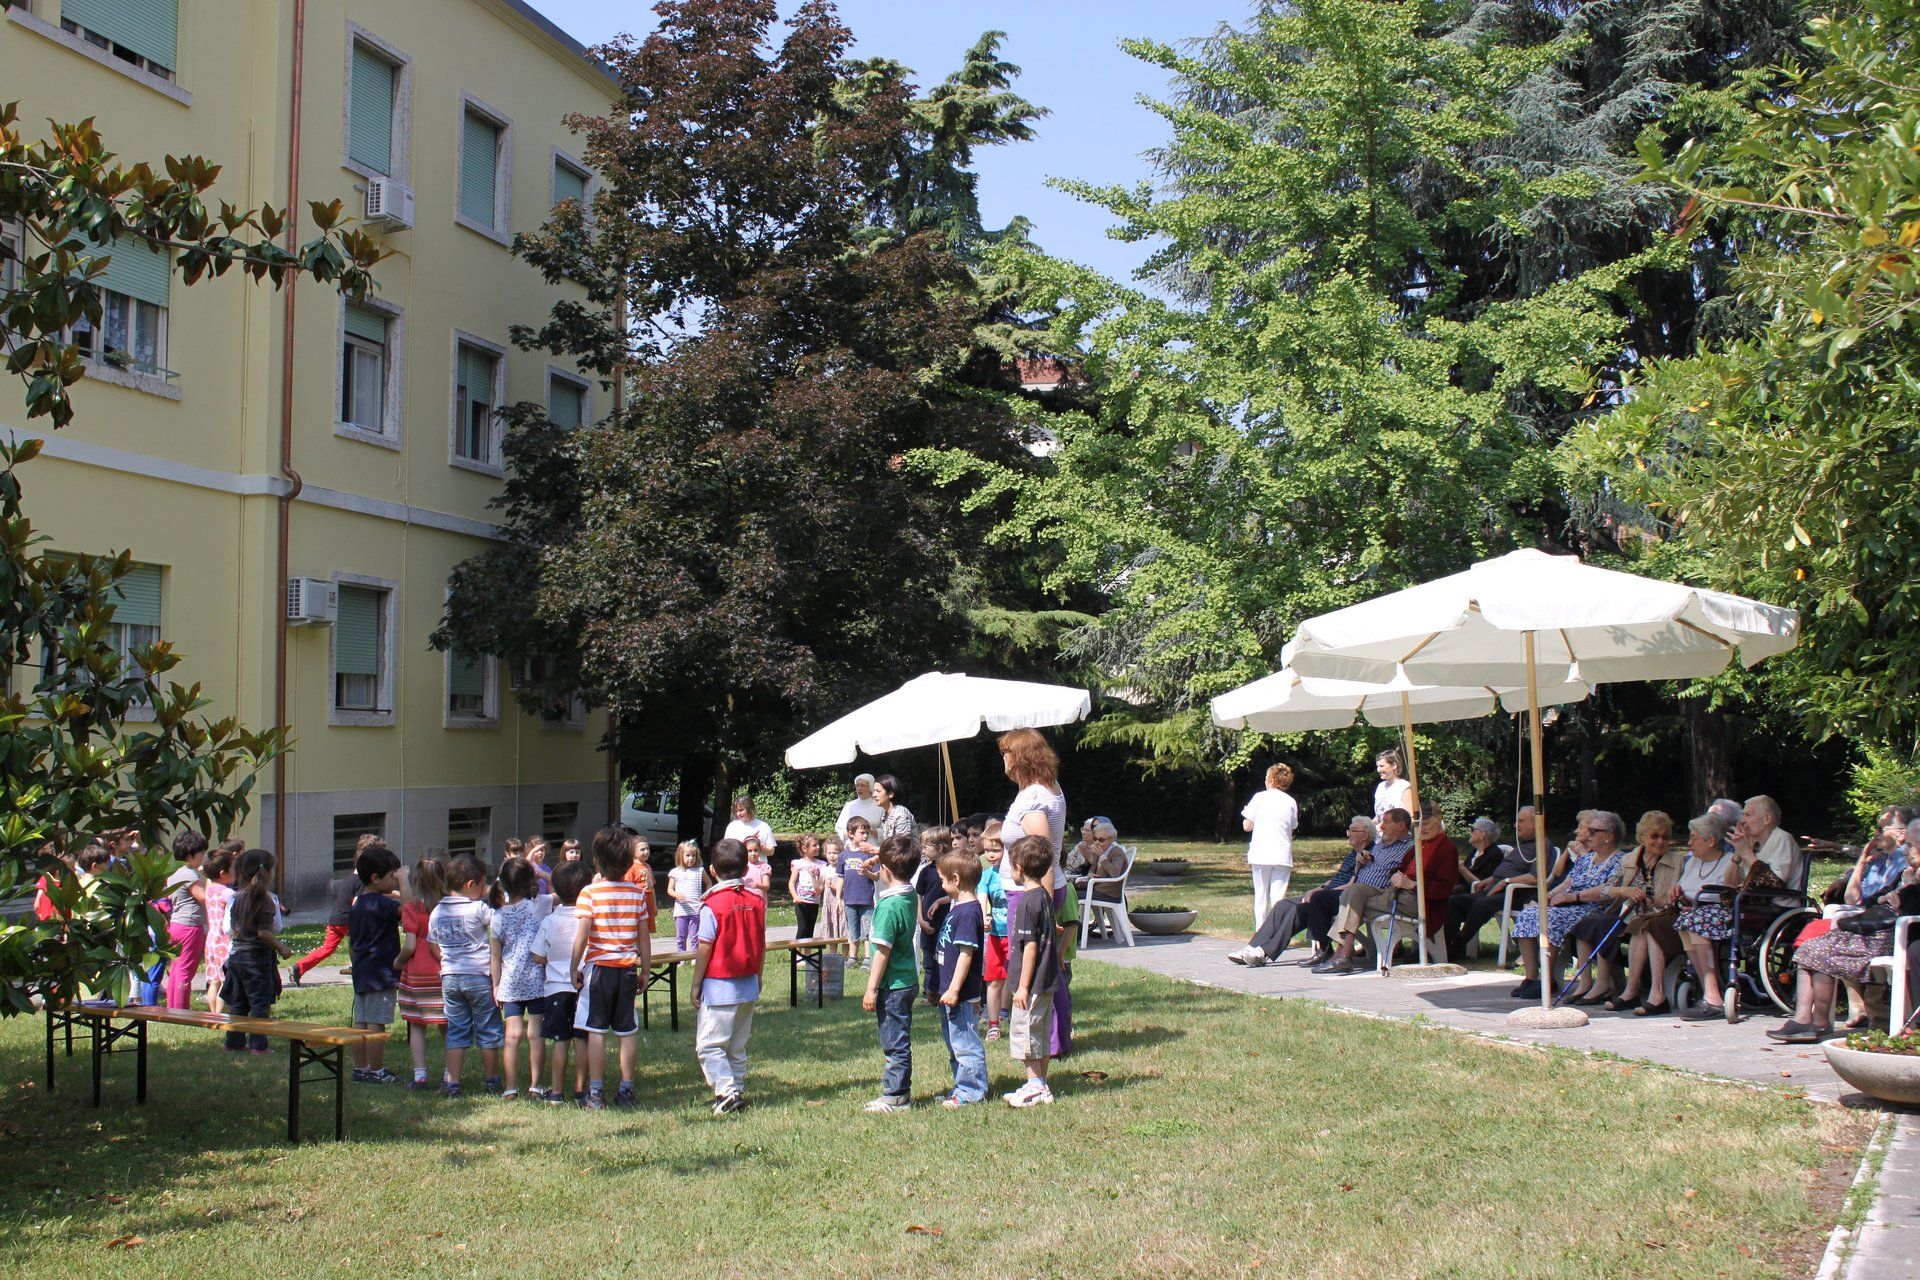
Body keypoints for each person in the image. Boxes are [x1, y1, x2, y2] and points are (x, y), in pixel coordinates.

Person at [1769, 822, 1918, 1042]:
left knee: (1819, 953)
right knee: (1811, 948)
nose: (1907, 849)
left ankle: (1816, 1023)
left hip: (1891, 935)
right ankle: (1805, 1019)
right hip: (1873, 928)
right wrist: (1886, 896)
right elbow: (1865, 899)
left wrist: (1902, 901)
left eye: (1913, 845)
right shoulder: (1906, 872)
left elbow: (1912, 910)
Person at [570, 825, 653, 1110]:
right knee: (627, 1031)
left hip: (599, 970)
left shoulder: (589, 893)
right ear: (629, 861)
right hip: (627, 969)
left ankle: (595, 1092)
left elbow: (582, 935)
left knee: (596, 1031)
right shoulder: (637, 893)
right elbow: (644, 936)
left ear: (597, 860)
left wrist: (573, 968)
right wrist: (645, 969)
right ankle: (626, 1091)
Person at [1510, 811, 1627, 1000]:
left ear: (1609, 837)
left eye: (1593, 830)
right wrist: (1548, 896)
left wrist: (1572, 897)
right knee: (1529, 914)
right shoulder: (1586, 859)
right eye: (1588, 830)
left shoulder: (1620, 860)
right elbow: (1567, 883)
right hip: (1570, 905)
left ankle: (1546, 980)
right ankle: (1531, 977)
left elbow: (1607, 891)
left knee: (1550, 919)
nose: (1588, 834)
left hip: (1593, 908)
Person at [1229, 815, 1374, 967]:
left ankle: (1263, 952)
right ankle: (1251, 947)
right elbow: (1338, 878)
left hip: (1341, 898)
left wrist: (1322, 893)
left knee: (1298, 911)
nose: (1348, 834)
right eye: (1348, 830)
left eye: (1353, 830)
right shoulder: (1353, 854)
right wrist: (1318, 888)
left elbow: (1355, 884)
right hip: (1327, 893)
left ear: (1365, 835)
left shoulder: (1367, 855)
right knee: (1282, 905)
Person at [1578, 811, 1683, 1012]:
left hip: (1659, 916)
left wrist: (1653, 900)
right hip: (1630, 914)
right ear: (1641, 837)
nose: (1661, 841)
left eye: (1665, 836)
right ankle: (1607, 987)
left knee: (1641, 926)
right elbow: (1606, 889)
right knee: (1592, 922)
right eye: (1655, 836)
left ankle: (1633, 991)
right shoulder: (1628, 860)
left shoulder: (1677, 862)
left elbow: (1673, 899)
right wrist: (1624, 890)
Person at [691, 838, 766, 1115]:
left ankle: (726, 1092)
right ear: (747, 867)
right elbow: (761, 941)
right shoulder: (756, 900)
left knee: (710, 1045)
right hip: (747, 982)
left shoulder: (713, 904)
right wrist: (759, 974)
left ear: (712, 870)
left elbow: (705, 946)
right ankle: (736, 1088)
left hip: (720, 984)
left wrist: (696, 983)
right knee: (736, 1045)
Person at [430, 853, 502, 1098]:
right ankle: (492, 1081)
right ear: (471, 885)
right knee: (488, 1029)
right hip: (479, 976)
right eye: (482, 884)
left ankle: (452, 1083)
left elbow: (433, 943)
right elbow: (499, 926)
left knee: (456, 1031)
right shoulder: (478, 908)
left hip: (450, 977)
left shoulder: (437, 911)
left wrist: (447, 960)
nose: (484, 889)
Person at [1311, 808, 1415, 974]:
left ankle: (1342, 954)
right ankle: (1341, 955)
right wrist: (1362, 859)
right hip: (1360, 891)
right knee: (1351, 894)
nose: (1381, 827)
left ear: (1401, 825)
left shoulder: (1410, 848)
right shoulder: (1381, 845)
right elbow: (1365, 866)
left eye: (1387, 822)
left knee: (1351, 895)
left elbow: (1405, 873)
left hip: (1382, 892)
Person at [862, 834, 923, 1113]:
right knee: (897, 1038)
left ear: (885, 870)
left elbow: (882, 952)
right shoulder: (909, 894)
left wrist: (871, 988)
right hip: (907, 979)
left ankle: (896, 1097)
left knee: (894, 1042)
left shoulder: (887, 906)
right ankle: (895, 1092)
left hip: (893, 985)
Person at [490, 857, 555, 1100]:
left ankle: (510, 1087)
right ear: (530, 881)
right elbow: (566, 892)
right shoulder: (538, 905)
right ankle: (536, 1086)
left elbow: (495, 957)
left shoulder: (497, 917)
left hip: (510, 981)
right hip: (537, 979)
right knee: (535, 1034)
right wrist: (544, 875)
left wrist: (496, 985)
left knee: (512, 1035)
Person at [1670, 813, 1743, 1020]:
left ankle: (1712, 997)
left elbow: (1730, 889)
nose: (1689, 842)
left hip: (1722, 912)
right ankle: (1709, 991)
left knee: (1692, 922)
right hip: (1694, 913)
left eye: (1694, 837)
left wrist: (1696, 905)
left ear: (1710, 840)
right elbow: (1687, 888)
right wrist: (1679, 893)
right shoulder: (1693, 862)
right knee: (1687, 923)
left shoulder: (1730, 861)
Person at [529, 860, 591, 1105]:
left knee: (559, 1041)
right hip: (584, 986)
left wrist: (549, 958)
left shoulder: (550, 920)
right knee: (582, 1039)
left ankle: (556, 1091)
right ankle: (580, 1089)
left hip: (556, 988)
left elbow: (537, 955)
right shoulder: (588, 920)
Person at [1005, 833, 1060, 1108]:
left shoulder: (1027, 902)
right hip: (1047, 979)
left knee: (1026, 1032)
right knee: (1039, 1031)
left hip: (1033, 983)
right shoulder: (1044, 897)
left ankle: (1034, 1086)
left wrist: (1023, 986)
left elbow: (1030, 948)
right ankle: (1041, 1084)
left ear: (1019, 869)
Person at [222, 849, 292, 1054]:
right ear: (268, 872)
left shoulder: (236, 898)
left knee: (239, 1002)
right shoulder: (266, 901)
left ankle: (234, 1042)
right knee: (260, 1003)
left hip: (236, 956)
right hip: (256, 959)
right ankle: (259, 1045)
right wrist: (282, 948)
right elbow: (264, 933)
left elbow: (234, 929)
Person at [346, 842, 404, 1083]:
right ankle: (377, 1071)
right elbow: (409, 909)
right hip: (381, 973)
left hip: (362, 970)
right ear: (375, 878)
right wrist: (406, 881)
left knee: (361, 1021)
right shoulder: (384, 904)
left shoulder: (358, 903)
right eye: (392, 877)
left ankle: (361, 1068)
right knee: (376, 1024)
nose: (395, 881)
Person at [935, 846, 988, 1107]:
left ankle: (972, 1090)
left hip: (962, 993)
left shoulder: (968, 913)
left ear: (956, 879)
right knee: (954, 1041)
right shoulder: (959, 907)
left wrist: (955, 988)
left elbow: (966, 954)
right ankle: (961, 1086)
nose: (942, 885)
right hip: (950, 992)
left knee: (965, 1041)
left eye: (943, 880)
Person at [1444, 814, 1540, 960]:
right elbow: (1505, 871)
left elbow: (1535, 876)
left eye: (1520, 821)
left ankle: (1458, 943)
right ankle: (1444, 946)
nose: (1515, 825)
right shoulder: (1521, 847)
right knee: (1454, 901)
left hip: (1515, 893)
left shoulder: (1541, 846)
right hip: (1494, 888)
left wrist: (1505, 881)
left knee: (1481, 903)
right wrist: (1492, 879)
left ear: (1535, 824)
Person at [290, 838, 375, 986]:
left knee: (327, 949)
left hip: (336, 918)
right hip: (348, 919)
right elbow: (357, 903)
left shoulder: (348, 878)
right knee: (366, 941)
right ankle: (363, 970)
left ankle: (299, 967)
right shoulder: (361, 881)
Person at [397, 855, 448, 1091]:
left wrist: (398, 962)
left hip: (417, 970)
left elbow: (409, 945)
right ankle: (450, 1073)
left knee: (417, 1024)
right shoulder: (448, 907)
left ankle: (419, 1075)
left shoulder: (411, 908)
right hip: (442, 970)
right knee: (446, 1024)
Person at [1242, 763, 1300, 928]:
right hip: (1282, 853)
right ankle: (1276, 932)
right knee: (1278, 897)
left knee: (1261, 896)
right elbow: (1293, 825)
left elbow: (1247, 825)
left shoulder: (1259, 797)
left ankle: (1260, 931)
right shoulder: (1290, 801)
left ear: (1271, 780)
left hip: (1261, 852)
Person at [162, 831, 209, 1009]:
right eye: (201, 853)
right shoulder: (190, 874)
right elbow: (203, 898)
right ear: (191, 854)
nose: (203, 857)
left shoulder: (175, 872)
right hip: (190, 925)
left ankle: (173, 1008)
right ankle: (181, 1010)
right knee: (186, 970)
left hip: (176, 924)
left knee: (176, 968)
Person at [915, 826, 955, 1002]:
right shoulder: (926, 871)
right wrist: (921, 920)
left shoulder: (952, 869)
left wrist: (941, 901)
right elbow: (918, 896)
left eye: (926, 846)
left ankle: (943, 990)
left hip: (946, 922)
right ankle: (928, 992)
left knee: (946, 958)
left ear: (940, 847)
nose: (923, 850)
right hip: (928, 923)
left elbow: (958, 892)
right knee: (929, 959)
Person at [979, 819, 1011, 1039]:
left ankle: (1009, 1012)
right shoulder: (988, 874)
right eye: (987, 850)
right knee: (993, 979)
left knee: (1014, 977)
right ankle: (993, 1024)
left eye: (996, 850)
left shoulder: (1013, 872)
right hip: (995, 934)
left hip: (1014, 933)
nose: (991, 855)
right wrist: (984, 917)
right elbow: (982, 896)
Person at [840, 816, 879, 966]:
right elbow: (840, 877)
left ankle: (868, 959)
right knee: (853, 930)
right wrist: (838, 897)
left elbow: (876, 877)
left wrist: (867, 873)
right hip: (849, 899)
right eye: (862, 833)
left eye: (866, 833)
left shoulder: (870, 854)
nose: (865, 836)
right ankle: (853, 958)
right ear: (851, 834)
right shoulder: (844, 855)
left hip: (866, 899)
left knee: (868, 930)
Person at [202, 851, 237, 1014]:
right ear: (223, 873)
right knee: (225, 981)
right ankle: (220, 1015)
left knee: (214, 980)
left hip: (211, 939)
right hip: (224, 939)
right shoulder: (228, 894)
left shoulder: (209, 890)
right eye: (233, 868)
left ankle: (212, 1013)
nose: (236, 871)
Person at [667, 840, 709, 953]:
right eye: (687, 855)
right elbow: (669, 889)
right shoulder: (675, 872)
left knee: (695, 936)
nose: (691, 858)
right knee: (681, 936)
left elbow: (709, 883)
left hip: (695, 908)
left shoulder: (700, 870)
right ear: (681, 855)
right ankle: (681, 956)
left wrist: (705, 896)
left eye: (693, 855)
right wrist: (676, 894)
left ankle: (694, 956)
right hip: (681, 910)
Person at [789, 833, 827, 940]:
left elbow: (822, 883)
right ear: (804, 848)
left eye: (818, 844)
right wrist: (795, 897)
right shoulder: (798, 864)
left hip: (814, 902)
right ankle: (797, 955)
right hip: (801, 902)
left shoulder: (822, 864)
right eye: (814, 845)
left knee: (810, 930)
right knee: (802, 929)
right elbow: (791, 882)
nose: (818, 847)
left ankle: (807, 955)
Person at [836, 773, 885, 839]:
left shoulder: (879, 806)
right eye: (857, 785)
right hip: (852, 845)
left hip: (872, 845)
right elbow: (840, 829)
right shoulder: (849, 806)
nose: (859, 788)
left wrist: (869, 829)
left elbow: (886, 831)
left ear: (870, 787)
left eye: (863, 785)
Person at [819, 835, 848, 945]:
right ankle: (833, 955)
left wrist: (833, 886)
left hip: (841, 903)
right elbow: (819, 888)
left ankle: (846, 957)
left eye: (835, 853)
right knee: (831, 932)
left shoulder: (843, 869)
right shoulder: (825, 870)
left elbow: (845, 888)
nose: (832, 856)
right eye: (829, 853)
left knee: (844, 929)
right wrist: (814, 877)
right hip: (829, 905)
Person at [873, 774, 916, 843]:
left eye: (878, 791)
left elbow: (902, 845)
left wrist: (877, 850)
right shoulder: (886, 814)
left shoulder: (901, 815)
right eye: (874, 791)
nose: (874, 795)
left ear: (891, 794)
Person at [1373, 748, 1413, 821]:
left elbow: (1410, 816)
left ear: (1394, 765)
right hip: (1380, 831)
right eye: (1377, 766)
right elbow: (1378, 816)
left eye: (1381, 766)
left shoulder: (1404, 786)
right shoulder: (1380, 787)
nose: (1378, 770)